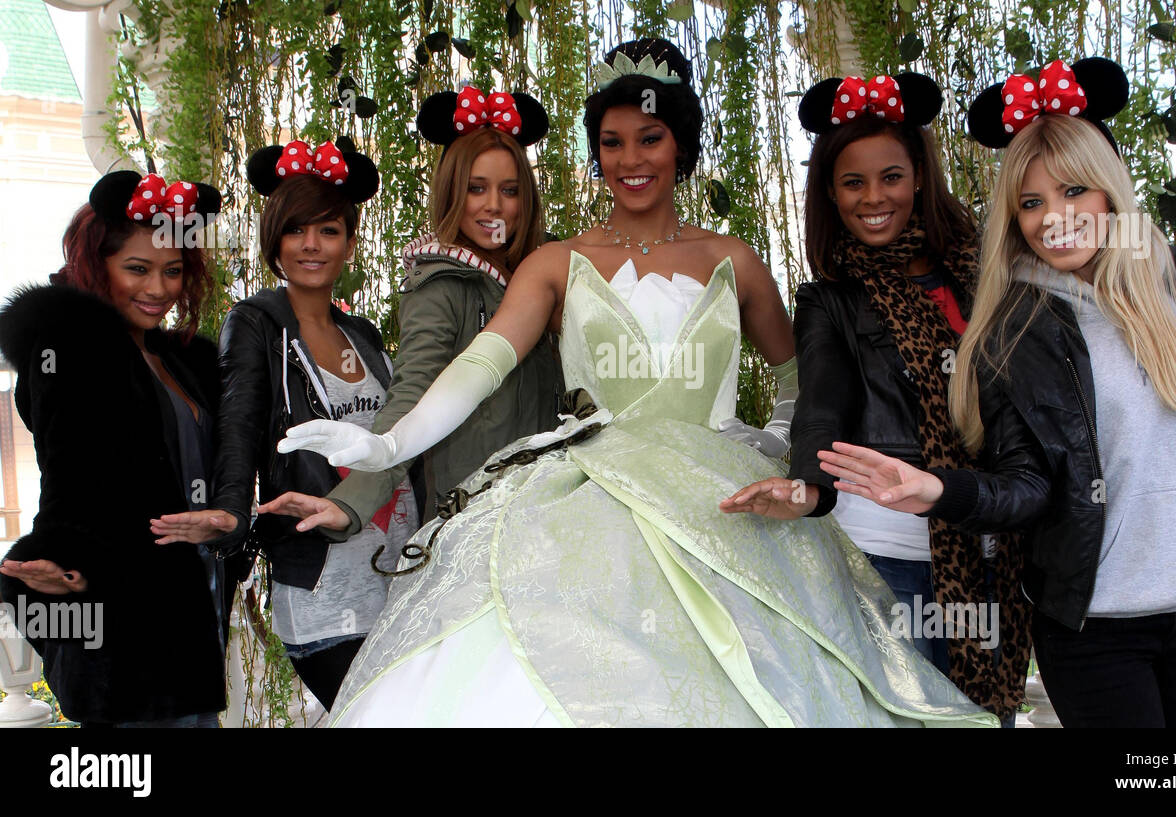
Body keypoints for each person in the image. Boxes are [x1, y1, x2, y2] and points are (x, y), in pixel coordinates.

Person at [279, 38, 997, 727]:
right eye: (613, 141)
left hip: (722, 500)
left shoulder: (733, 260)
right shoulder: (556, 262)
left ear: (679, 145)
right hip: (590, 498)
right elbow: (480, 364)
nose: (630, 158)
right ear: (597, 153)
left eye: (649, 137)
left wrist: (776, 445)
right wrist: (388, 444)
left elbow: (800, 378)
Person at [818, 59, 1176, 728]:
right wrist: (939, 490)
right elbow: (1028, 485)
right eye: (1032, 202)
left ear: (1109, 192)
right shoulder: (1016, 325)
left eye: (1074, 191)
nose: (1055, 219)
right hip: (1096, 625)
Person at [720, 72, 1030, 722]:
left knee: (985, 715)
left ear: (918, 175)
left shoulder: (987, 276)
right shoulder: (829, 299)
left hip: (988, 551)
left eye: (890, 176)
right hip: (886, 557)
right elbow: (821, 404)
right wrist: (806, 485)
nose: (873, 197)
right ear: (830, 194)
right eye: (852, 183)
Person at [149, 142, 417, 711]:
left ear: (349, 240)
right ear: (274, 240)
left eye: (328, 230)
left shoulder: (364, 334)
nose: (312, 246)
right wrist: (229, 510)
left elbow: (402, 437)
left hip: (402, 577)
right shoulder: (256, 325)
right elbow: (239, 428)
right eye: (296, 231)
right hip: (324, 586)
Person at [256, 90, 564, 554]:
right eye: (476, 188)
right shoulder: (439, 286)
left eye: (510, 190)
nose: (493, 206)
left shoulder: (553, 272)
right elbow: (412, 394)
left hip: (554, 509)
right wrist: (354, 502)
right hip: (475, 521)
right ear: (452, 192)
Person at [0, 171, 229, 726]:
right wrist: (60, 562)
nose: (158, 289)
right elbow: (70, 478)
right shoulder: (74, 353)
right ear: (95, 265)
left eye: (172, 271)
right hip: (127, 634)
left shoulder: (176, 360)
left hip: (192, 606)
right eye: (137, 269)